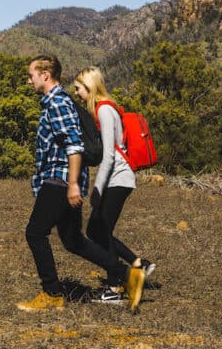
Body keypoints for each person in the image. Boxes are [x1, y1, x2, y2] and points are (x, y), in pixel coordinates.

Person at [18, 55, 128, 311]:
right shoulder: (57, 102)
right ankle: (120, 271)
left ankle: (52, 294)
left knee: (35, 233)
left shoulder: (57, 103)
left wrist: (73, 184)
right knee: (73, 241)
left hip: (60, 180)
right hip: (63, 180)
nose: (29, 80)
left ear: (46, 75)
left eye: (31, 75)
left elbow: (74, 145)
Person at [72, 66, 153, 310]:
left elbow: (108, 155)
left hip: (118, 177)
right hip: (117, 178)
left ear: (90, 86)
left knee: (101, 231)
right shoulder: (105, 108)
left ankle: (115, 287)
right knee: (97, 231)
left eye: (78, 88)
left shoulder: (105, 110)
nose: (76, 93)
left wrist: (97, 189)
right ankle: (138, 264)